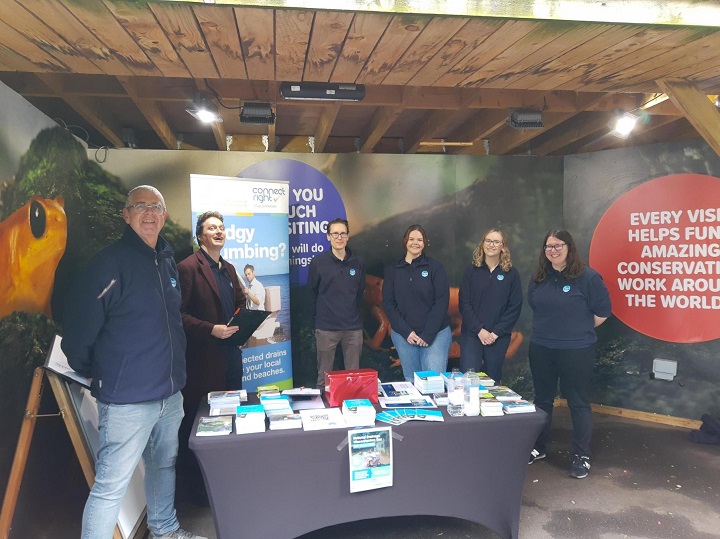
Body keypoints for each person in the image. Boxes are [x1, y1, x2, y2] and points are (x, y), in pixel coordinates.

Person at [61, 185, 206, 539]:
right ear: (126, 215)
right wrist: (104, 374)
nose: (149, 213)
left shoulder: (167, 261)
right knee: (111, 485)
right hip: (127, 400)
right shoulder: (107, 264)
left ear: (165, 216)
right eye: (140, 206)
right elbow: (78, 337)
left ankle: (165, 530)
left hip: (170, 395)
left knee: (163, 466)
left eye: (156, 206)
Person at [527, 229, 612, 479]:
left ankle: (581, 455)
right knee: (542, 400)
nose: (553, 250)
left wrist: (577, 330)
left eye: (557, 245)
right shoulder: (539, 277)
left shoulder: (588, 277)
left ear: (569, 247)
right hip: (542, 347)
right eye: (548, 247)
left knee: (578, 403)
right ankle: (538, 447)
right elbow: (534, 305)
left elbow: (603, 312)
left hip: (576, 350)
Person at [177, 211, 246, 504]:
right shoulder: (187, 268)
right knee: (201, 424)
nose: (218, 232)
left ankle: (226, 481)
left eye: (221, 227)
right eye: (211, 228)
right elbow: (178, 316)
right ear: (200, 235)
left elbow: (240, 305)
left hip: (231, 358)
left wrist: (244, 326)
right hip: (204, 362)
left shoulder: (229, 269)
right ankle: (199, 493)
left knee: (230, 417)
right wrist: (211, 330)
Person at [382, 224, 451, 381]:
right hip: (404, 335)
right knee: (412, 381)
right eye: (412, 239)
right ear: (405, 241)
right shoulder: (393, 270)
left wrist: (427, 334)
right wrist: (406, 332)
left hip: (436, 334)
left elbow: (441, 302)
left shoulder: (435, 267)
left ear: (424, 243)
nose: (415, 242)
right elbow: (388, 303)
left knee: (433, 382)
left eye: (419, 239)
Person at [307, 218, 366, 389]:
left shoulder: (359, 263)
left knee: (353, 379)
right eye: (335, 234)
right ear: (328, 236)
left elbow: (359, 291)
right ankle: (323, 413)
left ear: (348, 236)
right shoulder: (318, 262)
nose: (339, 237)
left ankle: (352, 411)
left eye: (342, 233)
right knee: (323, 380)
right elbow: (312, 293)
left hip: (353, 328)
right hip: (326, 328)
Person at [459, 228, 522, 383]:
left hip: (497, 338)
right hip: (473, 335)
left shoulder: (511, 274)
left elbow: (514, 307)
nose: (491, 245)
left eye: (496, 242)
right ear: (482, 244)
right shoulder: (471, 271)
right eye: (488, 241)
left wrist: (495, 333)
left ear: (503, 247)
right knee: (469, 380)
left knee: (492, 382)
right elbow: (464, 303)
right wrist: (479, 330)